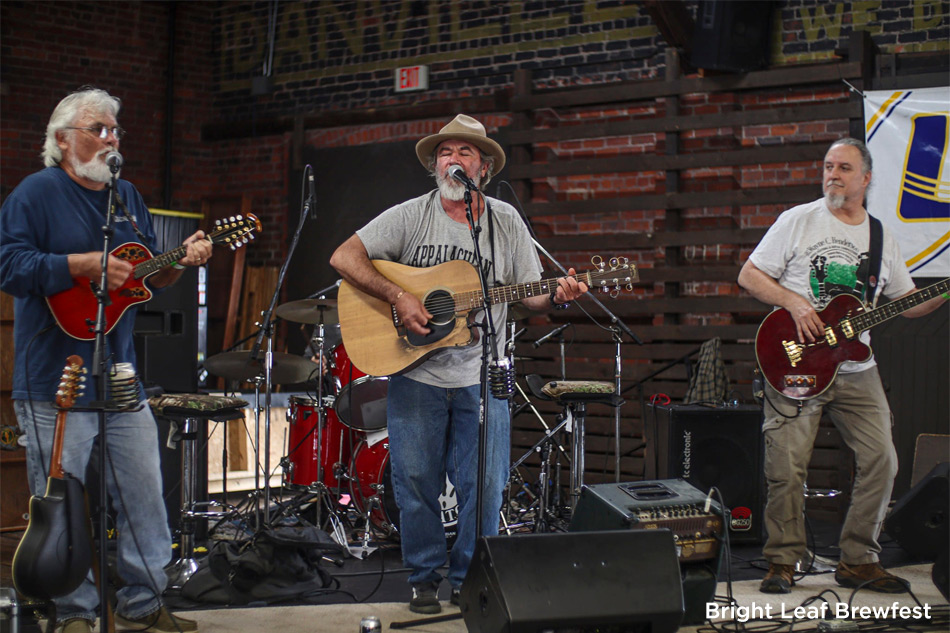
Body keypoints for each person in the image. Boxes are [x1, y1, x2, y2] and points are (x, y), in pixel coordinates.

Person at [330, 114, 588, 613]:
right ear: (434, 165)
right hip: (417, 374)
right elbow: (344, 257)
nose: (454, 160)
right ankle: (424, 579)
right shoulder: (410, 215)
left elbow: (531, 297)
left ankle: (469, 578)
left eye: (465, 153)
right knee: (416, 483)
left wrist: (559, 294)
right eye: (445, 153)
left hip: (483, 375)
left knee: (485, 489)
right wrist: (400, 296)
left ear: (484, 168)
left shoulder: (505, 221)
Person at [0, 88, 211, 633]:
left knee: (144, 492)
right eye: (98, 128)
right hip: (55, 380)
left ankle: (142, 602)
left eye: (115, 129)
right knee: (63, 504)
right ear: (64, 140)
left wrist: (179, 263)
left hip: (119, 376)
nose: (111, 137)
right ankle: (74, 611)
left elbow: (145, 280)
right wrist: (81, 264)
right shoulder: (34, 194)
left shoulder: (128, 196)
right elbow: (9, 265)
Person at [737, 137, 947, 594]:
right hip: (794, 360)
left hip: (855, 367)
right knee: (787, 466)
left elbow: (905, 304)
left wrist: (941, 293)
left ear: (867, 178)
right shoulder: (798, 220)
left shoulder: (880, 235)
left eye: (845, 168)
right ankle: (783, 561)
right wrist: (794, 303)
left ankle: (858, 560)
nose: (833, 174)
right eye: (829, 166)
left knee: (882, 461)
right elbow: (749, 275)